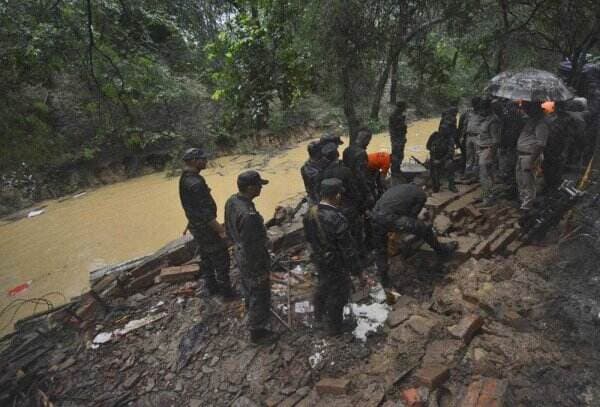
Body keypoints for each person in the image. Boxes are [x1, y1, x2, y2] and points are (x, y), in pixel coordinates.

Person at [224, 170, 277, 345]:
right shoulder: (249, 216)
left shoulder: (232, 201)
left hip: (239, 251)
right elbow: (254, 247)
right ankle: (258, 332)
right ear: (250, 187)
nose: (261, 188)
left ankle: (250, 307)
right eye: (259, 185)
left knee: (248, 286)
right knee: (260, 291)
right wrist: (262, 269)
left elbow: (229, 229)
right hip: (251, 257)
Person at [370, 184, 458, 288]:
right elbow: (412, 215)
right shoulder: (421, 195)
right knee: (424, 228)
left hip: (375, 215)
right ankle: (442, 251)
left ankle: (384, 278)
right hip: (390, 217)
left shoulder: (402, 188)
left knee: (380, 248)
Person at [303, 178, 361, 335]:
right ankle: (335, 328)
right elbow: (348, 249)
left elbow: (308, 238)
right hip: (335, 262)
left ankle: (318, 315)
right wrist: (356, 270)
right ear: (336, 196)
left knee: (323, 284)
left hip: (318, 258)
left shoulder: (310, 212)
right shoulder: (337, 218)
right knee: (338, 294)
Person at [179, 147, 235, 298]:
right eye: (202, 159)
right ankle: (227, 294)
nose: (205, 161)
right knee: (221, 259)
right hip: (205, 229)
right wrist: (221, 231)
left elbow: (191, 205)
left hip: (196, 227)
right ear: (193, 161)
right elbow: (206, 214)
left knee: (206, 258)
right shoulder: (195, 183)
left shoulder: (186, 178)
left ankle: (212, 288)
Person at [321, 143, 366, 263]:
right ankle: (361, 259)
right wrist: (361, 204)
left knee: (342, 236)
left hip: (335, 209)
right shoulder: (345, 170)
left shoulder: (325, 173)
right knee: (356, 234)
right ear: (337, 154)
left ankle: (346, 260)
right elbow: (354, 189)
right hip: (349, 206)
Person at [515, 102, 550, 210]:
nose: (525, 111)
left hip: (530, 156)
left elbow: (541, 144)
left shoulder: (541, 124)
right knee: (521, 181)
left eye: (527, 108)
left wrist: (532, 160)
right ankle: (523, 203)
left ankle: (527, 207)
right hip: (522, 155)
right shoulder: (531, 121)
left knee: (528, 182)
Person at [476, 98, 502, 206]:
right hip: (483, 150)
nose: (480, 112)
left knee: (485, 176)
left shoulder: (493, 121)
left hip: (488, 150)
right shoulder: (486, 119)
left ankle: (487, 199)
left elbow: (496, 140)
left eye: (482, 109)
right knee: (489, 175)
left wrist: (491, 154)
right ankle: (487, 195)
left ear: (487, 109)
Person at [497, 100, 525, 196]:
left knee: (515, 168)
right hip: (510, 145)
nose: (509, 109)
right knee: (510, 167)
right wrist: (502, 144)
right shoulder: (507, 117)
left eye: (511, 107)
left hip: (518, 146)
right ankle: (510, 188)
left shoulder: (523, 118)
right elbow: (503, 131)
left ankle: (514, 189)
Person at [343, 127, 375, 210]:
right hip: (359, 188)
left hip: (348, 186)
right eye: (369, 140)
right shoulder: (361, 153)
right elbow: (361, 175)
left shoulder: (347, 150)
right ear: (366, 139)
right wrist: (368, 193)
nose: (368, 143)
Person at [427, 109, 458, 193]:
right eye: (441, 129)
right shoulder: (434, 136)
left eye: (444, 130)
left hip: (445, 159)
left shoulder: (449, 139)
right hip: (434, 158)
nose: (442, 131)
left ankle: (452, 185)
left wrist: (441, 161)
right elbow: (428, 147)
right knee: (432, 166)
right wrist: (433, 158)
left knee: (450, 164)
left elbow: (450, 152)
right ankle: (435, 185)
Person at [459, 97, 484, 179]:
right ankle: (468, 173)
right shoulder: (469, 113)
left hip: (478, 136)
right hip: (469, 136)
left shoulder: (482, 113)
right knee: (469, 156)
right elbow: (465, 125)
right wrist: (462, 136)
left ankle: (476, 175)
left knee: (477, 156)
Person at [389, 100, 408, 184]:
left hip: (399, 138)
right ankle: (395, 172)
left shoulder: (399, 115)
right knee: (397, 155)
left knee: (399, 155)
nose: (405, 109)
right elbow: (396, 129)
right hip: (397, 139)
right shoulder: (395, 116)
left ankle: (397, 170)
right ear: (401, 107)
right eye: (404, 107)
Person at [300, 141, 325, 205]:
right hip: (319, 199)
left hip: (313, 198)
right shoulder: (323, 165)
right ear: (318, 153)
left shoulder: (304, 167)